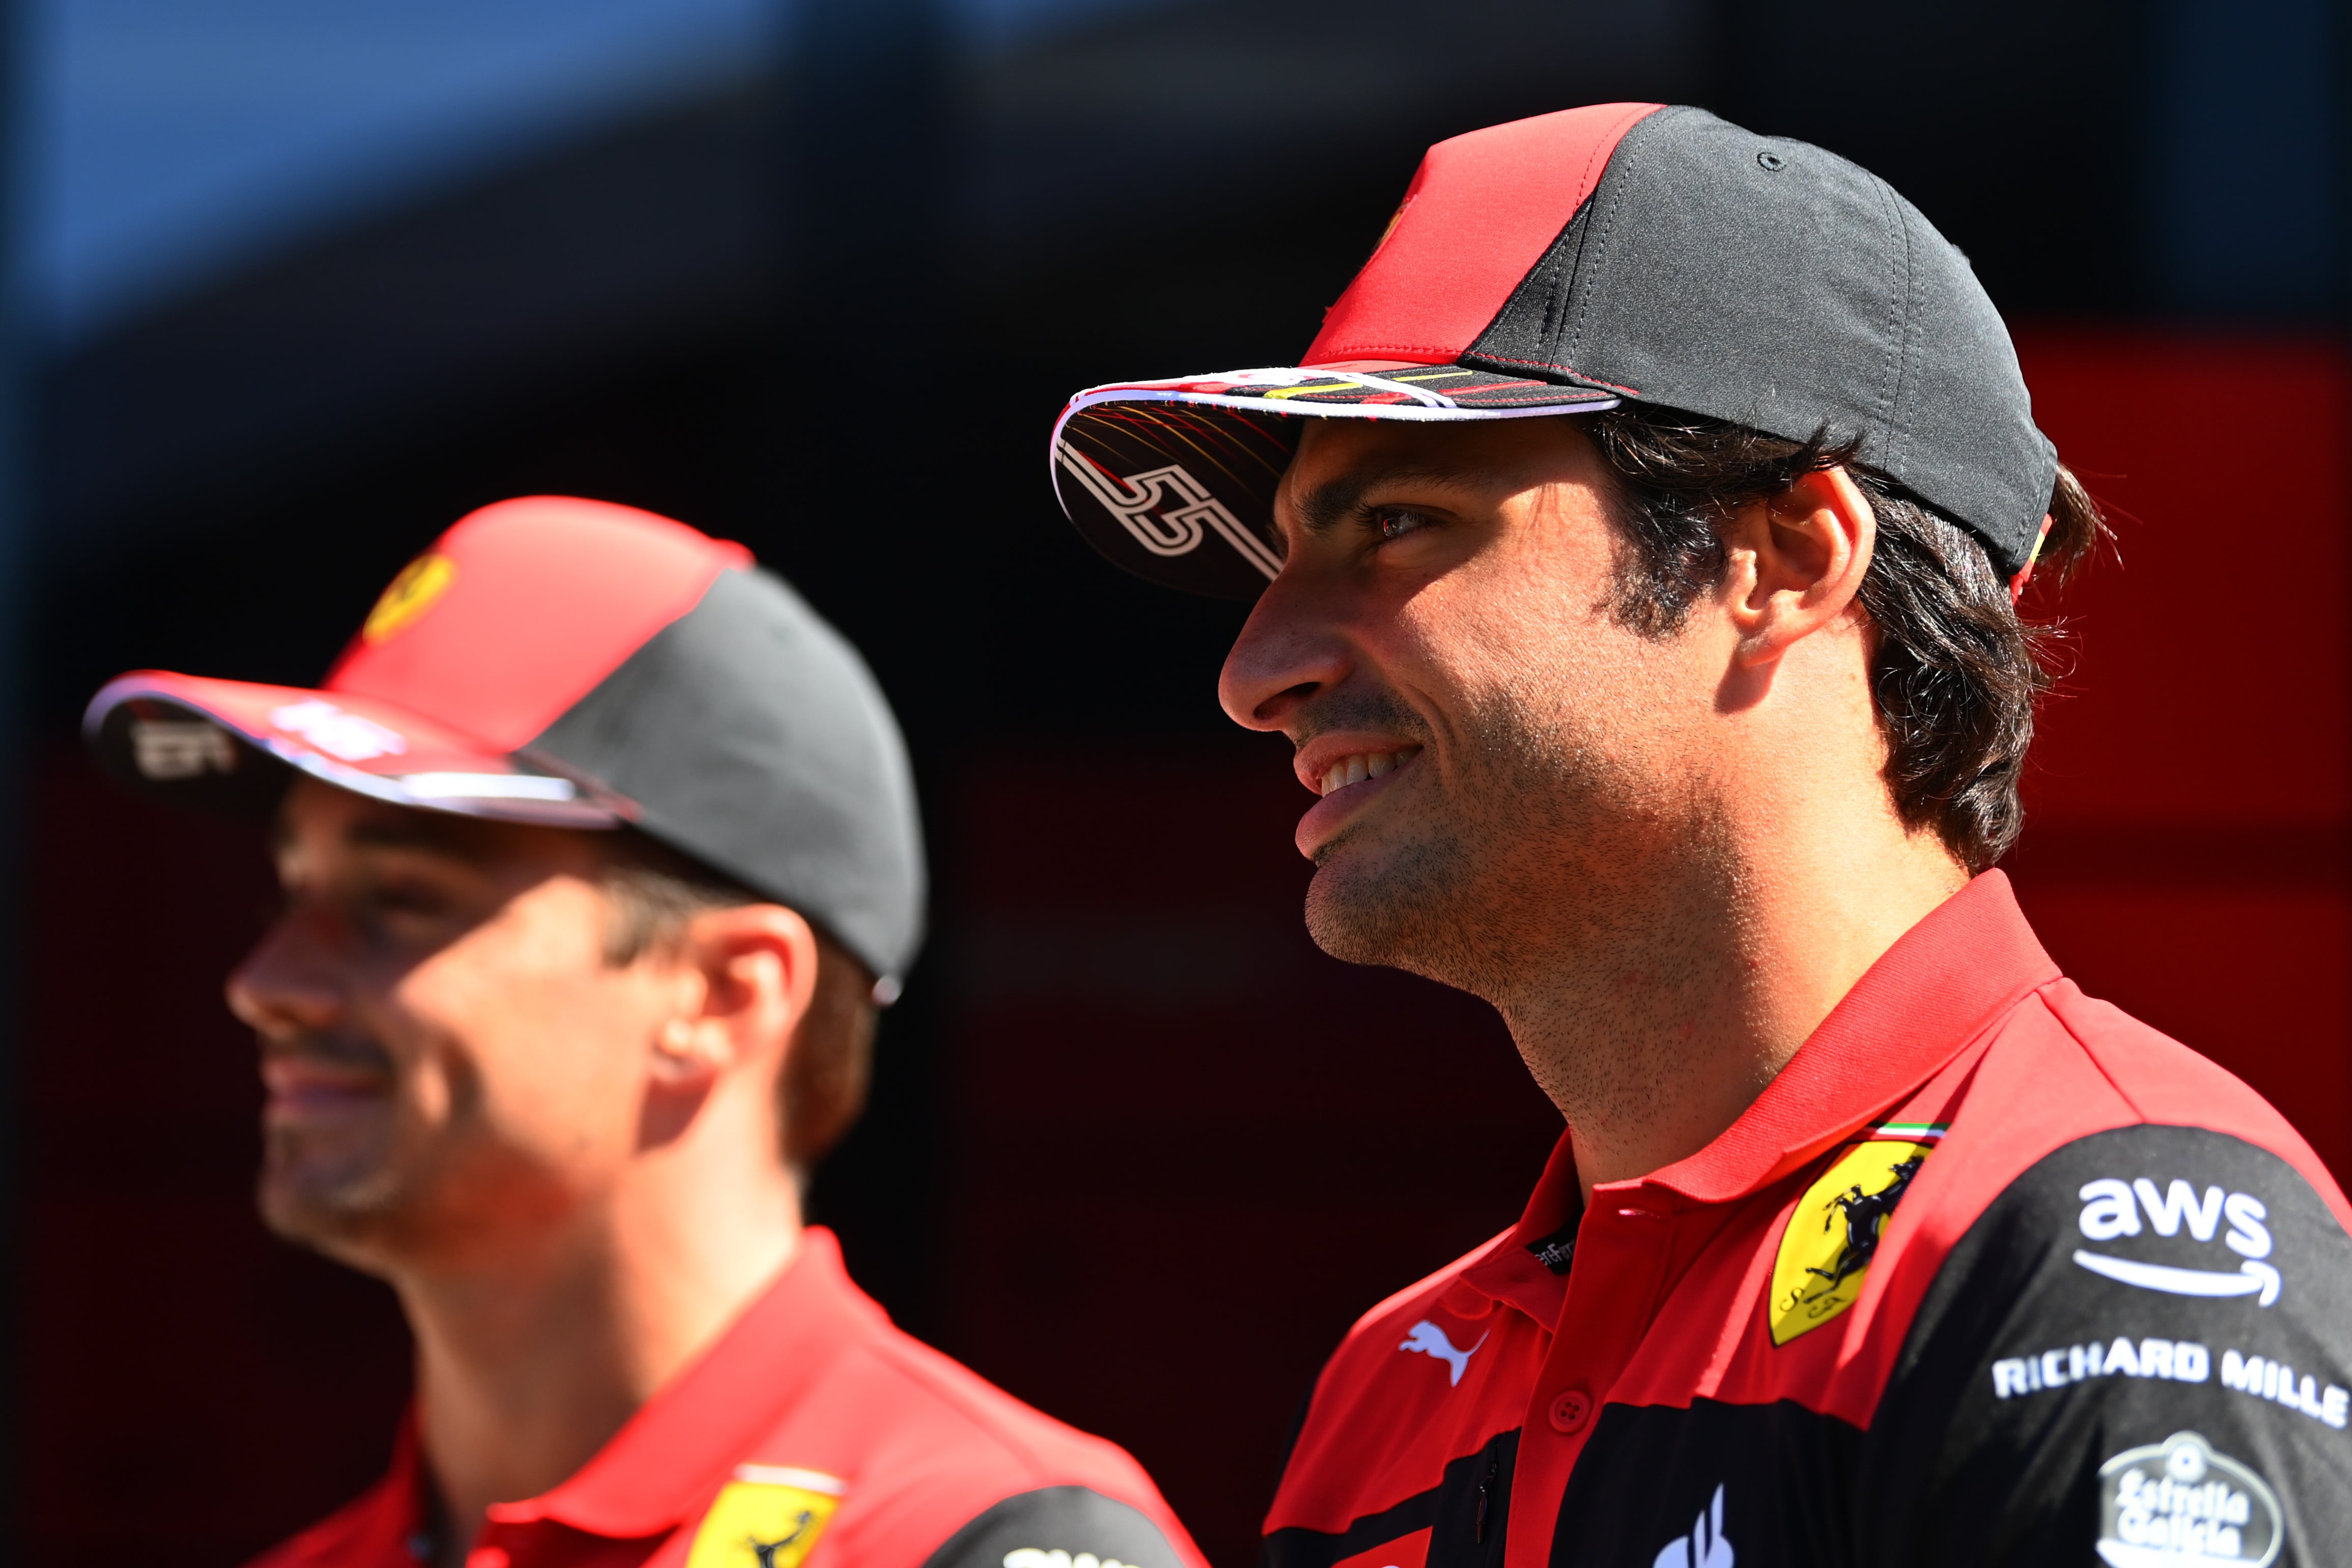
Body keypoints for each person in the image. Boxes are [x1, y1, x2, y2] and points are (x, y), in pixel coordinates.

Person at [1048, 103, 2352, 1564]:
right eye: (1285, 557)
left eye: (1398, 523)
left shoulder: (2104, 1242)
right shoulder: (1398, 1376)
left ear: (1784, 557)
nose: (1252, 673)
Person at [85, 496, 1206, 1568]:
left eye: (401, 901)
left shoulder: (977, 1537)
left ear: (723, 994)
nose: (267, 981)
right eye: (291, 895)